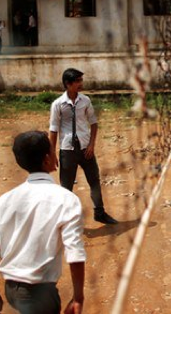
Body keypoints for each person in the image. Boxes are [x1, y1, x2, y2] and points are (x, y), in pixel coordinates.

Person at [0, 131, 85, 314]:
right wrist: (78, 298)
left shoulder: (6, 200)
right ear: (47, 159)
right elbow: (74, 253)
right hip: (41, 295)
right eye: (52, 150)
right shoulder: (66, 199)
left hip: (11, 290)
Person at [48, 69, 119, 225]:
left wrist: (92, 145)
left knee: (94, 180)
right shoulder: (58, 105)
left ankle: (99, 212)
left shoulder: (85, 101)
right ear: (68, 84)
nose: (81, 84)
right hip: (68, 150)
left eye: (81, 80)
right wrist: (52, 154)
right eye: (77, 81)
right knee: (66, 187)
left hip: (86, 148)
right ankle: (64, 219)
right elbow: (53, 130)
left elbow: (94, 123)